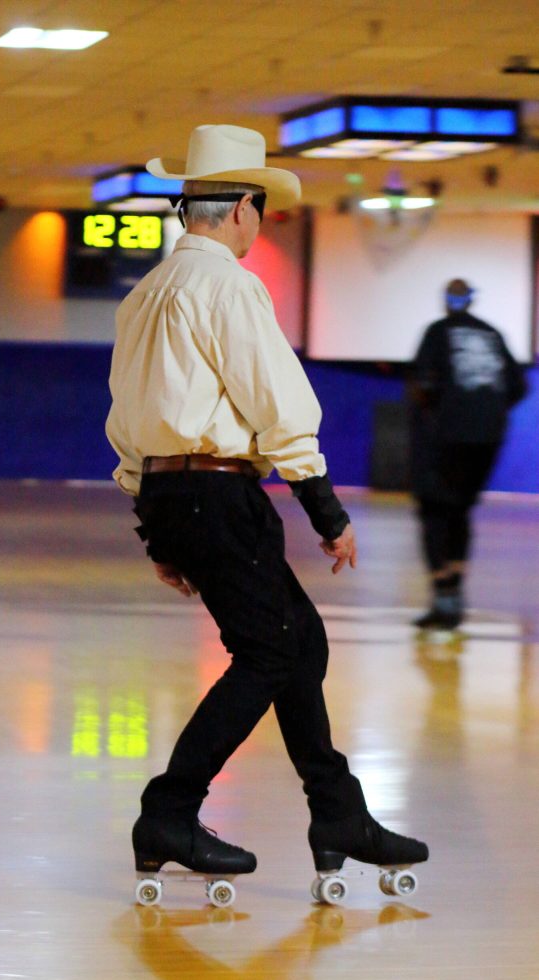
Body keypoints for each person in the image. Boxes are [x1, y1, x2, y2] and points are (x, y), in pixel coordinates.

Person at [106, 124, 428, 886]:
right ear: (245, 208)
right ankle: (169, 811)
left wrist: (156, 531)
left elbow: (128, 416)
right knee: (268, 654)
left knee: (298, 642)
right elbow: (278, 400)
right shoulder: (227, 285)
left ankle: (337, 811)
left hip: (169, 491)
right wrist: (326, 510)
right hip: (218, 492)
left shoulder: (145, 294)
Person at [410, 278, 527, 630]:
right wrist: (488, 412)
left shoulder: (437, 331)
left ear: (446, 302)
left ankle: (444, 598)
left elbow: (423, 383)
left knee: (433, 508)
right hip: (489, 436)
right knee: (459, 509)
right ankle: (455, 593)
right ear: (471, 301)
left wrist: (441, 412)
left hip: (451, 433)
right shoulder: (492, 333)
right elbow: (519, 386)